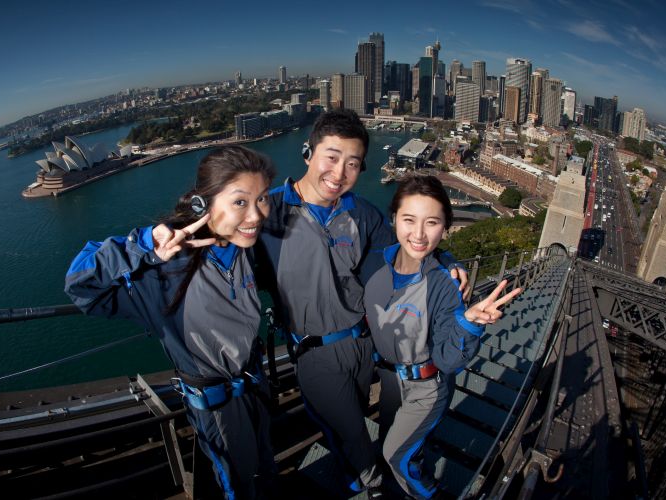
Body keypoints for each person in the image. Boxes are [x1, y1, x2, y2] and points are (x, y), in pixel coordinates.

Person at [255, 110, 468, 496]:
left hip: (368, 345)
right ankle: (371, 489)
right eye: (331, 157)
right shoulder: (267, 214)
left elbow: (410, 249)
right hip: (315, 352)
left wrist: (449, 262)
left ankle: (392, 476)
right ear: (308, 152)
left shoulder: (361, 213)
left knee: (378, 428)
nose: (339, 173)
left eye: (353, 163)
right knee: (352, 439)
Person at [65, 146, 277, 500]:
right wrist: (144, 244)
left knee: (263, 465)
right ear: (202, 205)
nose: (256, 214)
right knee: (238, 485)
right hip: (217, 407)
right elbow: (80, 285)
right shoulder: (162, 270)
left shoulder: (240, 246)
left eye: (263, 199)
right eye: (240, 202)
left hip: (253, 387)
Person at [361, 175, 521, 499]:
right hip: (391, 379)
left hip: (427, 386)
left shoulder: (445, 284)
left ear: (445, 226)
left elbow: (448, 359)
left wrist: (469, 323)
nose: (419, 234)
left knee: (397, 454)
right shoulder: (375, 263)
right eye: (409, 220)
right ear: (393, 219)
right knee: (402, 445)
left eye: (432, 222)